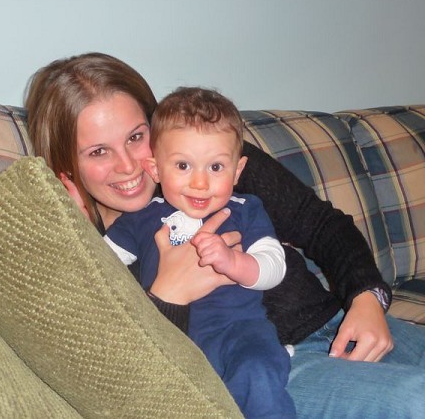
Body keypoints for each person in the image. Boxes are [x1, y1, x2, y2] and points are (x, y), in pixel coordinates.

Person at [25, 52, 425, 418]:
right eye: (98, 152)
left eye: (136, 137)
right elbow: (125, 374)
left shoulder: (207, 158)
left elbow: (321, 223)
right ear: (66, 163)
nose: (129, 165)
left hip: (338, 319)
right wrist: (166, 293)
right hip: (268, 372)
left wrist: (367, 297)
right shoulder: (86, 248)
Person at [104, 86, 295, 418]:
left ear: (237, 171)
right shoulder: (140, 219)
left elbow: (274, 267)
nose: (200, 183)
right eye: (183, 165)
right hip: (176, 345)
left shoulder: (244, 209)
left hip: (240, 333)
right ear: (155, 169)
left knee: (257, 375)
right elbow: (98, 266)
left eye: (216, 168)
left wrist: (234, 262)